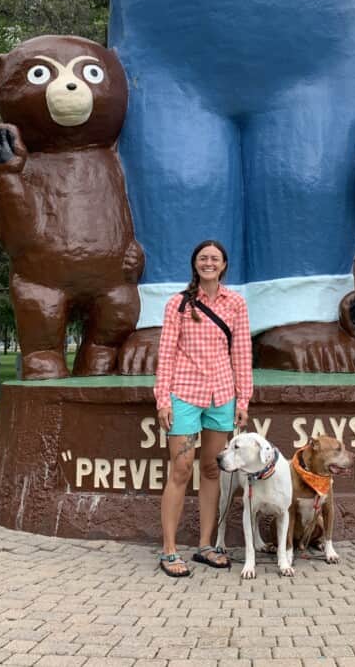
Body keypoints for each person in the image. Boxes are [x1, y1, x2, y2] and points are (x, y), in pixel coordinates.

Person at [154, 239, 252, 577]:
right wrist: (162, 398)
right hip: (184, 392)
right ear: (195, 264)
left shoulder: (236, 303)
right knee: (180, 469)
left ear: (224, 265)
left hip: (222, 395)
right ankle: (168, 550)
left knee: (212, 470)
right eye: (202, 258)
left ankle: (206, 545)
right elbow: (165, 353)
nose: (209, 263)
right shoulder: (179, 305)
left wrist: (244, 398)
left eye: (215, 258)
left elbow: (241, 353)